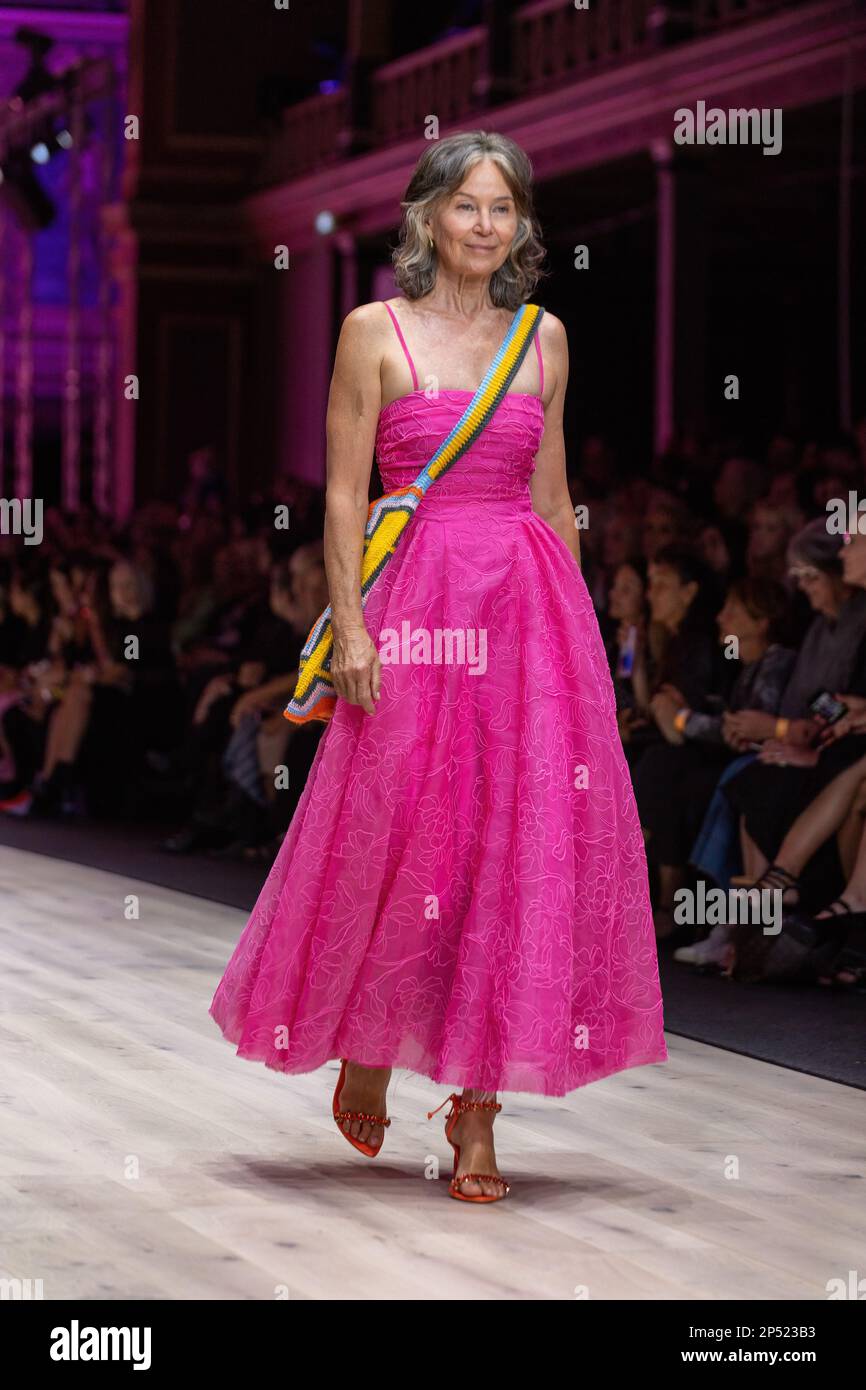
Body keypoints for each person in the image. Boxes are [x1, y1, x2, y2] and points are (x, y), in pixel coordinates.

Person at [209, 130, 668, 1204]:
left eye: (501, 209)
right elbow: (339, 497)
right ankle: (365, 1040)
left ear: (521, 227)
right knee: (400, 833)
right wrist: (352, 626)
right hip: (413, 608)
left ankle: (476, 1113)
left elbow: (552, 502)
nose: (483, 225)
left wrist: (585, 647)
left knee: (510, 851)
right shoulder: (373, 330)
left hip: (524, 613)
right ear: (424, 216)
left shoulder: (542, 338)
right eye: (465, 205)